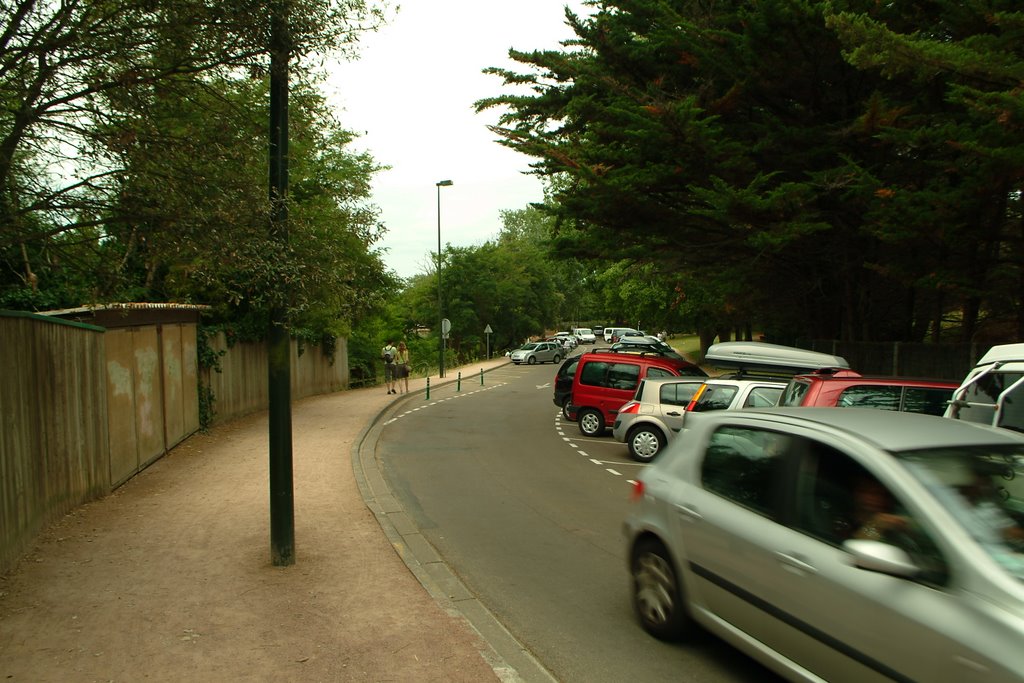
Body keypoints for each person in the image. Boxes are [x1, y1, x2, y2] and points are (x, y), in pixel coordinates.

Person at [850, 474, 910, 542]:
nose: (874, 498)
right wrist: (875, 525)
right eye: (867, 492)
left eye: (879, 493)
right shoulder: (845, 523)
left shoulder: (894, 525)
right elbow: (853, 546)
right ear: (856, 493)